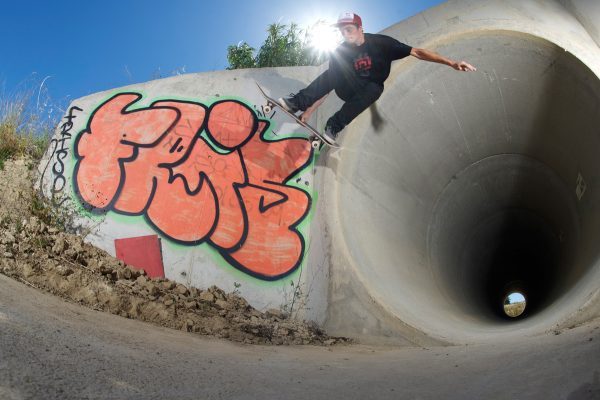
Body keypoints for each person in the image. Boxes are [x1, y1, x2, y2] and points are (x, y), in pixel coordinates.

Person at [278, 11, 477, 143]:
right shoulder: (341, 50)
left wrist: (451, 63)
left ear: (360, 29)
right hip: (346, 88)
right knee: (337, 66)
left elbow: (417, 52)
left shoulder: (382, 44)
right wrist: (310, 110)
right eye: (342, 31)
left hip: (366, 91)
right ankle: (297, 102)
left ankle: (333, 126)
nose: (345, 35)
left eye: (349, 30)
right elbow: (328, 82)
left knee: (376, 88)